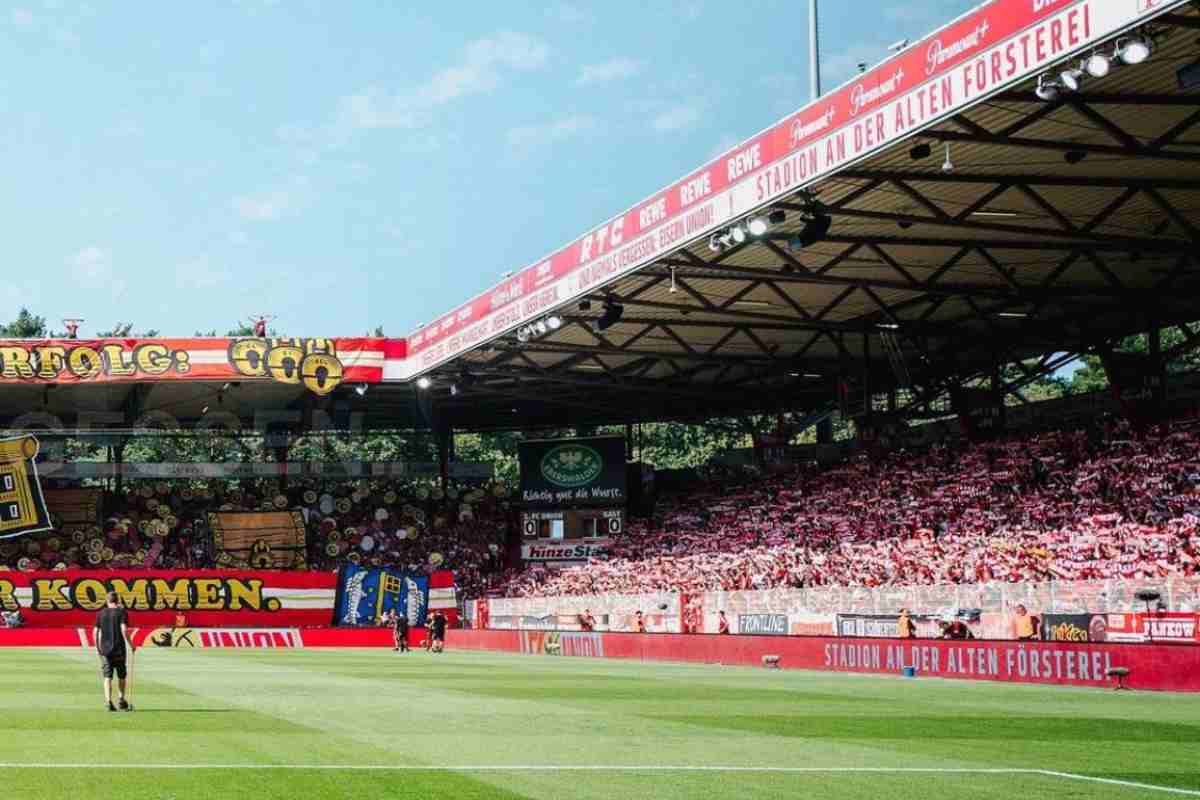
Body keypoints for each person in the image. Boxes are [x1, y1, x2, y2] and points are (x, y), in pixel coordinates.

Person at [94, 591, 136, 712]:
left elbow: (95, 631)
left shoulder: (101, 613)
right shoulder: (122, 612)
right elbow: (124, 629)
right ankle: (121, 700)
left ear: (107, 601)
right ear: (117, 601)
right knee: (121, 676)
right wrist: (132, 645)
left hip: (105, 650)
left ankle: (108, 702)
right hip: (119, 650)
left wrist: (97, 647)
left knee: (107, 676)